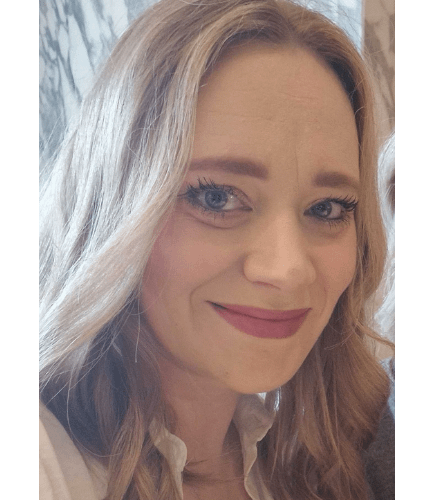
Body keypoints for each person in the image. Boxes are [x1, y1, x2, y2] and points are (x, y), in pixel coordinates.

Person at [39, 1, 395, 499]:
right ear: (116, 205)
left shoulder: (328, 457)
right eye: (216, 197)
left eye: (328, 208)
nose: (288, 269)